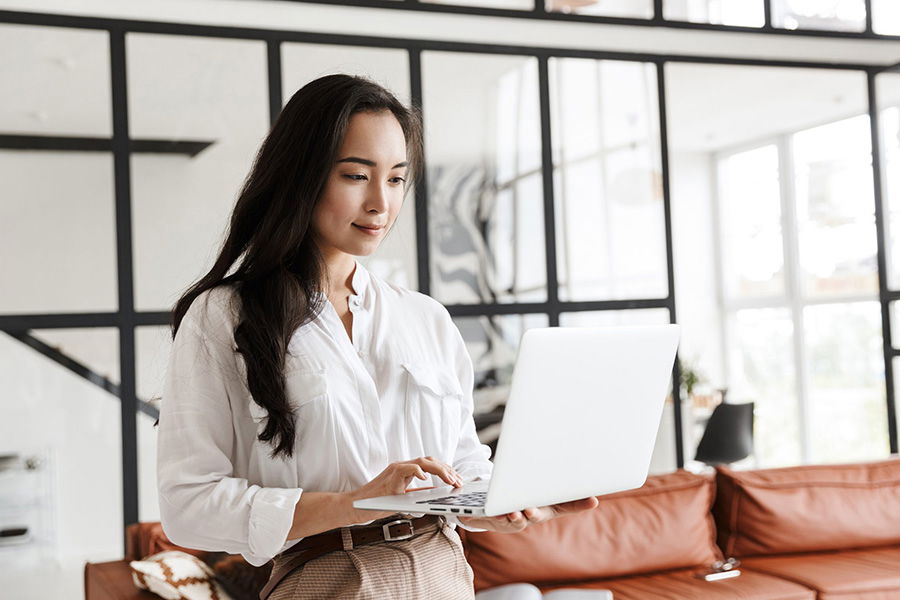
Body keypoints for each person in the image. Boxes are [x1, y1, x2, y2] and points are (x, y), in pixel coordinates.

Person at [156, 73, 598, 599]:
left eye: (394, 179)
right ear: (302, 176)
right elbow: (188, 507)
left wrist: (503, 504)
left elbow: (463, 465)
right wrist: (357, 502)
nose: (380, 205)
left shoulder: (425, 318)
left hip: (444, 573)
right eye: (355, 176)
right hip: (330, 578)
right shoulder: (223, 317)